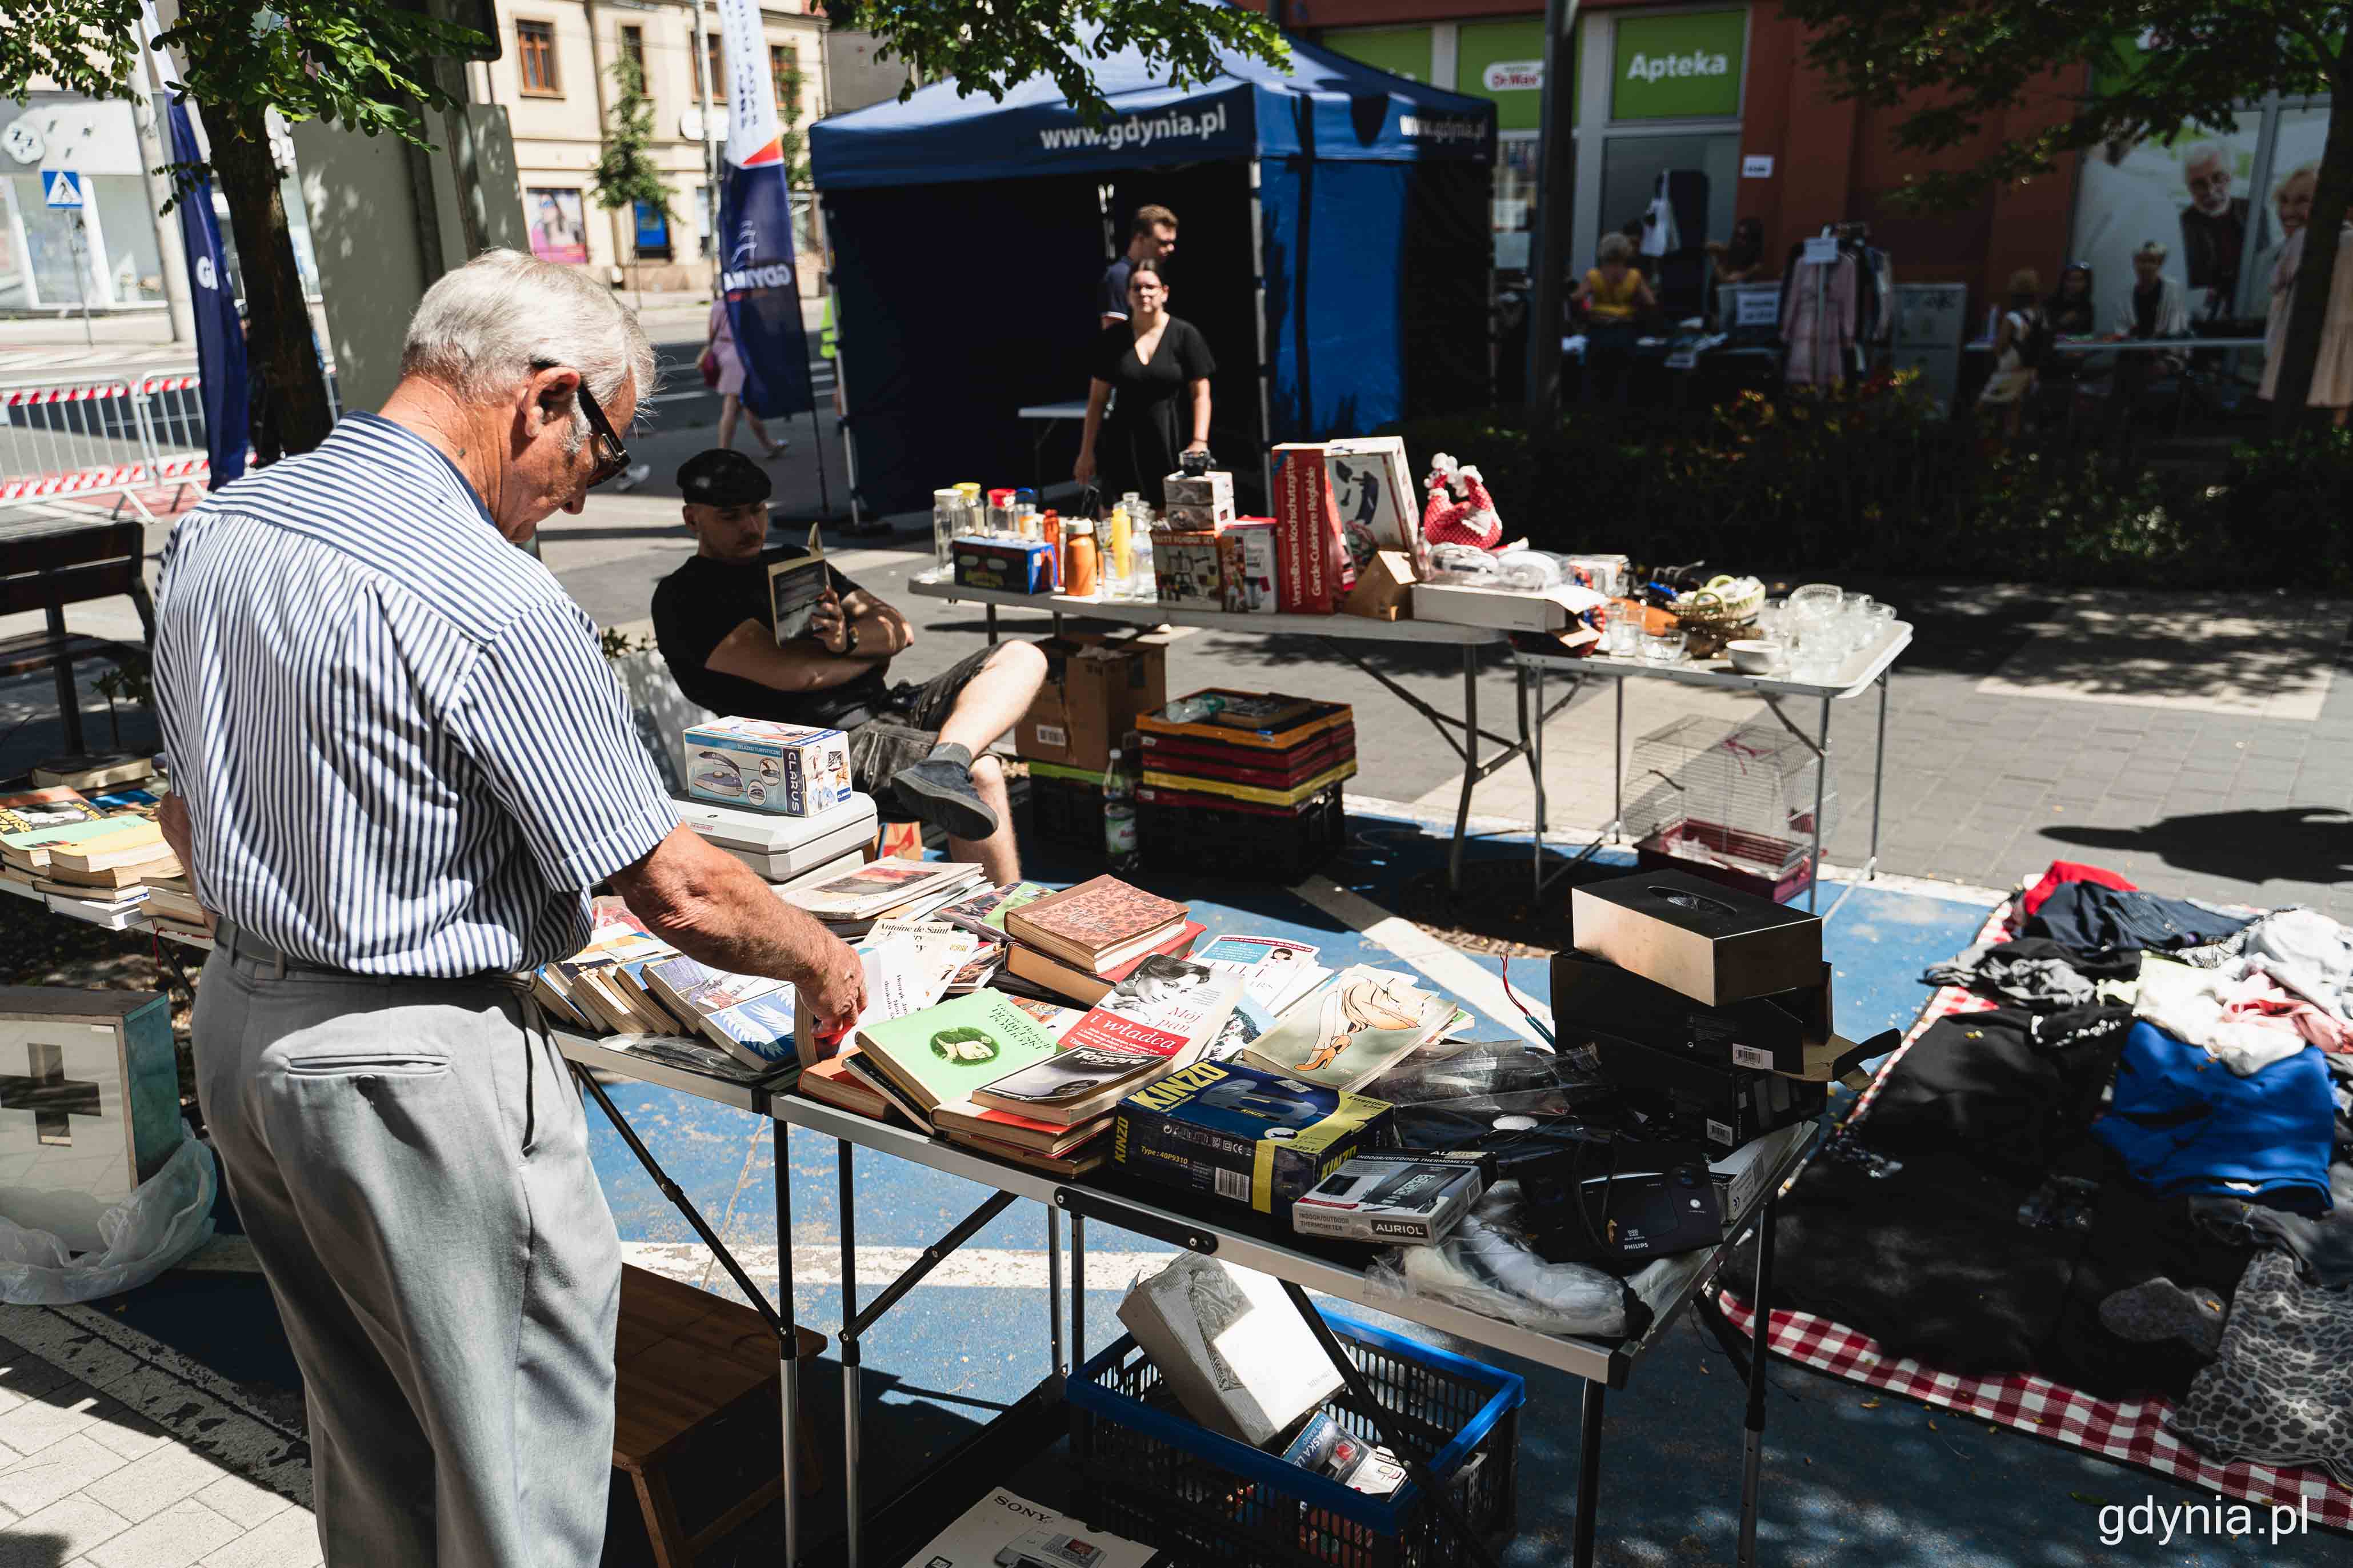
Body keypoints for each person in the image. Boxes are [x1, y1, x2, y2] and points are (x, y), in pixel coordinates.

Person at [150, 250, 867, 1566]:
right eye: (596, 458)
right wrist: (823, 960)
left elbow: (181, 817)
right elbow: (676, 887)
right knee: (513, 1482)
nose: (578, 499)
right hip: (414, 1064)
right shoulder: (484, 590)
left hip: (245, 1025)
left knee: (372, 1444)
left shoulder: (228, 525)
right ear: (542, 398)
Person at [651, 449, 1045, 882]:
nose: (750, 526)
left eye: (758, 510)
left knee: (1022, 655)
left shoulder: (790, 559)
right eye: (730, 516)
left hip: (884, 710)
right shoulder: (685, 596)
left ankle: (945, 762)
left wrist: (849, 640)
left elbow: (897, 628)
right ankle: (1002, 914)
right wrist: (870, 654)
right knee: (981, 774)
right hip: (810, 747)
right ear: (692, 519)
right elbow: (797, 674)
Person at [1074, 260, 1214, 508]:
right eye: (1136, 288)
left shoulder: (1185, 335)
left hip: (1169, 441)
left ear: (1165, 292)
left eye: (1150, 287)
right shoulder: (1113, 340)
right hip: (1122, 446)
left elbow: (1200, 394)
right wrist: (1086, 452)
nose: (1143, 293)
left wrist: (1199, 441)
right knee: (1119, 521)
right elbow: (1097, 401)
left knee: (1169, 518)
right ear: (1128, 295)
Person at [2260, 202, 2353, 425]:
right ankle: (2333, 437)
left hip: (2301, 329)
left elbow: (2276, 283)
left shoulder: (2303, 237)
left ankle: (2291, 437)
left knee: (2298, 395)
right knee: (2341, 394)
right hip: (2344, 333)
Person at [1572, 232, 1655, 406]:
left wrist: (1586, 315)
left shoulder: (1594, 276)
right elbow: (1650, 302)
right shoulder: (1634, 276)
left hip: (1599, 331)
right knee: (1622, 381)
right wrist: (1636, 312)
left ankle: (1594, 417)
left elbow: (1577, 297)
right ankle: (1619, 417)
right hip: (1625, 331)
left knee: (1596, 380)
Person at [2178, 143, 2256, 317]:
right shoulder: (2180, 227)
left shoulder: (2256, 214)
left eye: (2218, 178)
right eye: (2199, 184)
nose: (2211, 190)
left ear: (2231, 177)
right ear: (2189, 188)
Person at [705, 295, 786, 459]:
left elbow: (711, 334)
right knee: (744, 404)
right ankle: (766, 445)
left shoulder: (718, 306)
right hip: (740, 355)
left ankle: (729, 450)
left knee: (734, 405)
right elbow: (757, 332)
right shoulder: (745, 305)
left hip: (723, 353)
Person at [1977, 267, 2046, 439]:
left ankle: (1979, 440)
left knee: (1983, 404)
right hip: (2030, 369)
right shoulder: (2041, 315)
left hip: (2009, 368)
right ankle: (2011, 444)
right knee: (2015, 409)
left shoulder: (2013, 317)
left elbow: (2000, 345)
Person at [1099, 203, 1178, 330]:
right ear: (1140, 238)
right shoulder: (1119, 276)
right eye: (1163, 243)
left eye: (1172, 242)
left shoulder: (1160, 274)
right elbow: (1113, 336)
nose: (1171, 248)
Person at [1707, 216, 1766, 284]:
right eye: (1737, 235)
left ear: (1753, 241)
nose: (1738, 240)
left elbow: (1727, 280)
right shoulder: (1735, 250)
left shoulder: (1755, 266)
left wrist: (1713, 257)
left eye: (1744, 238)